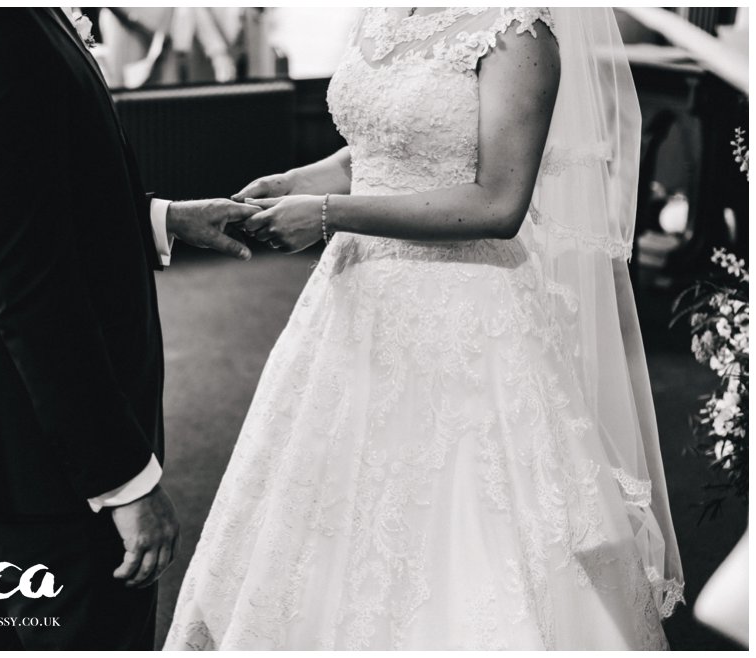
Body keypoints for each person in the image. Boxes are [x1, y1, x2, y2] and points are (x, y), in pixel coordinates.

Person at [167, 8, 682, 649]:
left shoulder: (519, 32)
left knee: (467, 525)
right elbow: (389, 144)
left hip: (466, 313)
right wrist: (305, 181)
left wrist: (328, 213)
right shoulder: (388, 12)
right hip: (354, 300)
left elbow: (498, 203)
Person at [0, 8, 255, 650]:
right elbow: (29, 289)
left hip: (28, 441)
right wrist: (123, 483)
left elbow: (20, 199)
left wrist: (163, 219)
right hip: (51, 456)